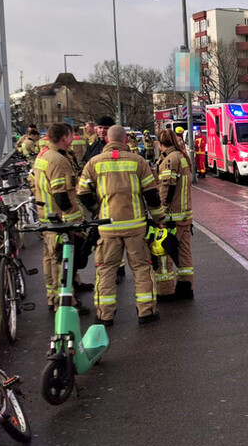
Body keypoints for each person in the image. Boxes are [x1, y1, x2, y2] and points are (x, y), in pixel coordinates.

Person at [78, 125, 166, 325]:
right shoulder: (138, 162)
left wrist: (96, 209)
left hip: (107, 227)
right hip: (135, 227)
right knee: (142, 268)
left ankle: (105, 315)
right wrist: (160, 219)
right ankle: (146, 311)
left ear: (107, 140)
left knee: (106, 270)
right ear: (126, 139)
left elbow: (82, 193)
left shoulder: (94, 163)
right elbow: (152, 195)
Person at [32, 123, 90, 314]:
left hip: (45, 216)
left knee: (49, 259)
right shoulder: (58, 160)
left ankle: (53, 297)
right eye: (71, 135)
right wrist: (74, 222)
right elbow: (61, 196)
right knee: (61, 260)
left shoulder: (43, 156)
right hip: (59, 219)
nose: (73, 138)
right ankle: (65, 303)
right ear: (65, 137)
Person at [155, 129, 195, 301]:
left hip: (172, 215)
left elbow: (167, 187)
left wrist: (160, 210)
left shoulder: (169, 160)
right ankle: (186, 287)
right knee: (184, 252)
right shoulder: (182, 157)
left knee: (162, 252)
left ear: (160, 142)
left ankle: (165, 290)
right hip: (184, 214)